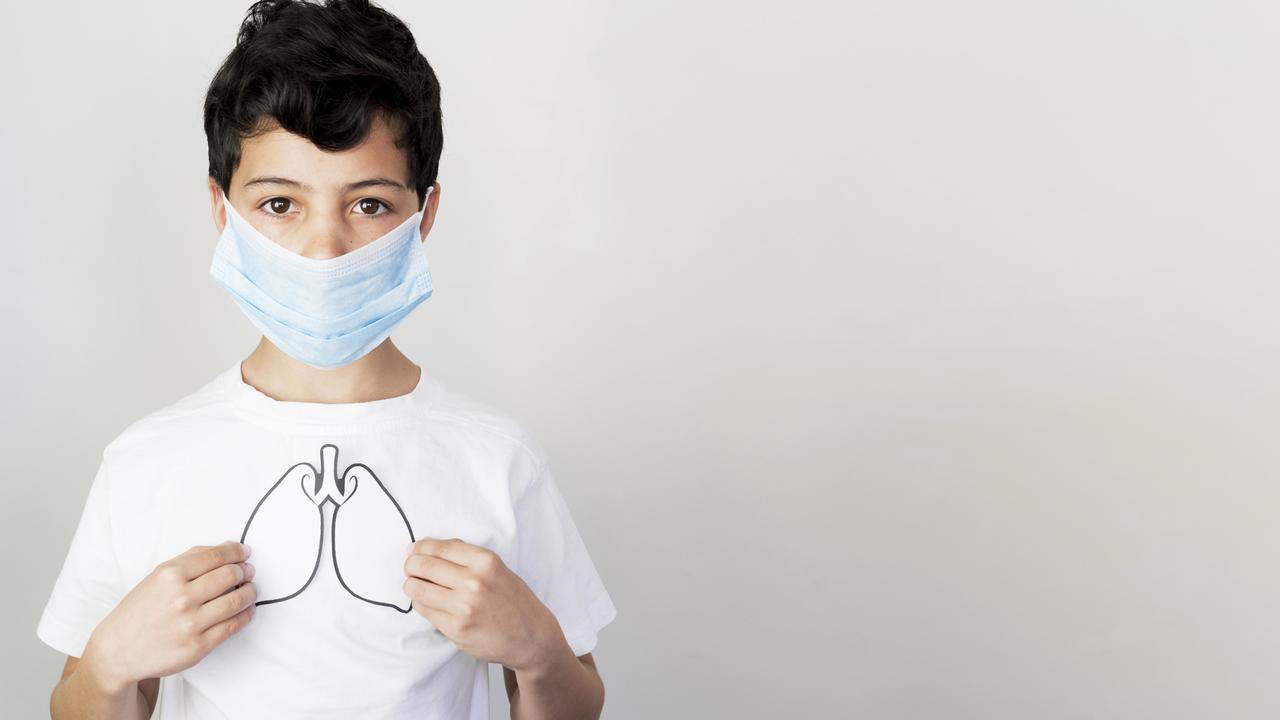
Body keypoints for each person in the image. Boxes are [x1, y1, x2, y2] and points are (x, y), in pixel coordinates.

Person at [35, 1, 617, 718]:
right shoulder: (148, 460)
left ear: (422, 217)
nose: (324, 249)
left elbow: (576, 703)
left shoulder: (498, 459)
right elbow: (76, 704)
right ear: (224, 212)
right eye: (280, 204)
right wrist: (112, 662)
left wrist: (539, 650)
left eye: (369, 205)